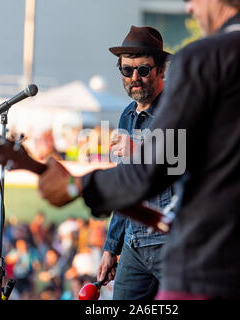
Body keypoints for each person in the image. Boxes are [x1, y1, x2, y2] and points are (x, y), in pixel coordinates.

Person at [38, 0, 240, 299]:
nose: (189, 7)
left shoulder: (208, 56)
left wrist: (76, 184)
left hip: (220, 273)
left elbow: (150, 171)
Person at [93, 26, 173, 300]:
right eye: (127, 71)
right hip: (133, 244)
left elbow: (184, 165)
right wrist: (110, 248)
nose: (134, 77)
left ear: (161, 70)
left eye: (143, 69)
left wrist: (139, 150)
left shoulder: (179, 108)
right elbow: (124, 187)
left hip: (172, 243)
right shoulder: (127, 115)